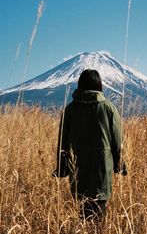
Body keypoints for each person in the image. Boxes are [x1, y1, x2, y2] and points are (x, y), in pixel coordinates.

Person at [53, 69, 127, 221]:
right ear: (100, 86)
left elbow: (63, 142)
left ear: (80, 85)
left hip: (77, 168)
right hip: (102, 171)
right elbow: (117, 142)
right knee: (99, 213)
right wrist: (120, 165)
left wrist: (62, 168)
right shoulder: (108, 108)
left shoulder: (70, 109)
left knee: (82, 212)